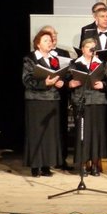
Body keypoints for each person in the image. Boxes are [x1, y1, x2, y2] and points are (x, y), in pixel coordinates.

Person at [22, 29, 66, 177]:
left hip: (52, 100)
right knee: (37, 133)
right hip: (36, 101)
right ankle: (35, 166)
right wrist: (44, 82)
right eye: (46, 41)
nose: (49, 43)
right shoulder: (30, 59)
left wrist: (59, 82)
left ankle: (46, 165)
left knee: (49, 134)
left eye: (50, 40)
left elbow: (59, 76)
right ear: (38, 44)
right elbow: (27, 80)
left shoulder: (55, 59)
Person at [68, 38, 107, 176]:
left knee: (96, 133)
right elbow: (67, 80)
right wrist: (70, 84)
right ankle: (83, 164)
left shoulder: (102, 64)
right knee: (83, 133)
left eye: (93, 47)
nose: (91, 50)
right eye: (88, 47)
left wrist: (103, 85)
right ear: (83, 49)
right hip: (81, 100)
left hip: (98, 101)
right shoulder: (75, 64)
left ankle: (95, 164)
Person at [40, 25, 73, 171]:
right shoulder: (37, 55)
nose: (53, 38)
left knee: (61, 128)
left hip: (60, 94)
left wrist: (63, 81)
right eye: (50, 35)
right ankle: (45, 160)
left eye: (55, 35)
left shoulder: (63, 52)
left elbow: (68, 73)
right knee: (46, 127)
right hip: (44, 95)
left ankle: (61, 159)